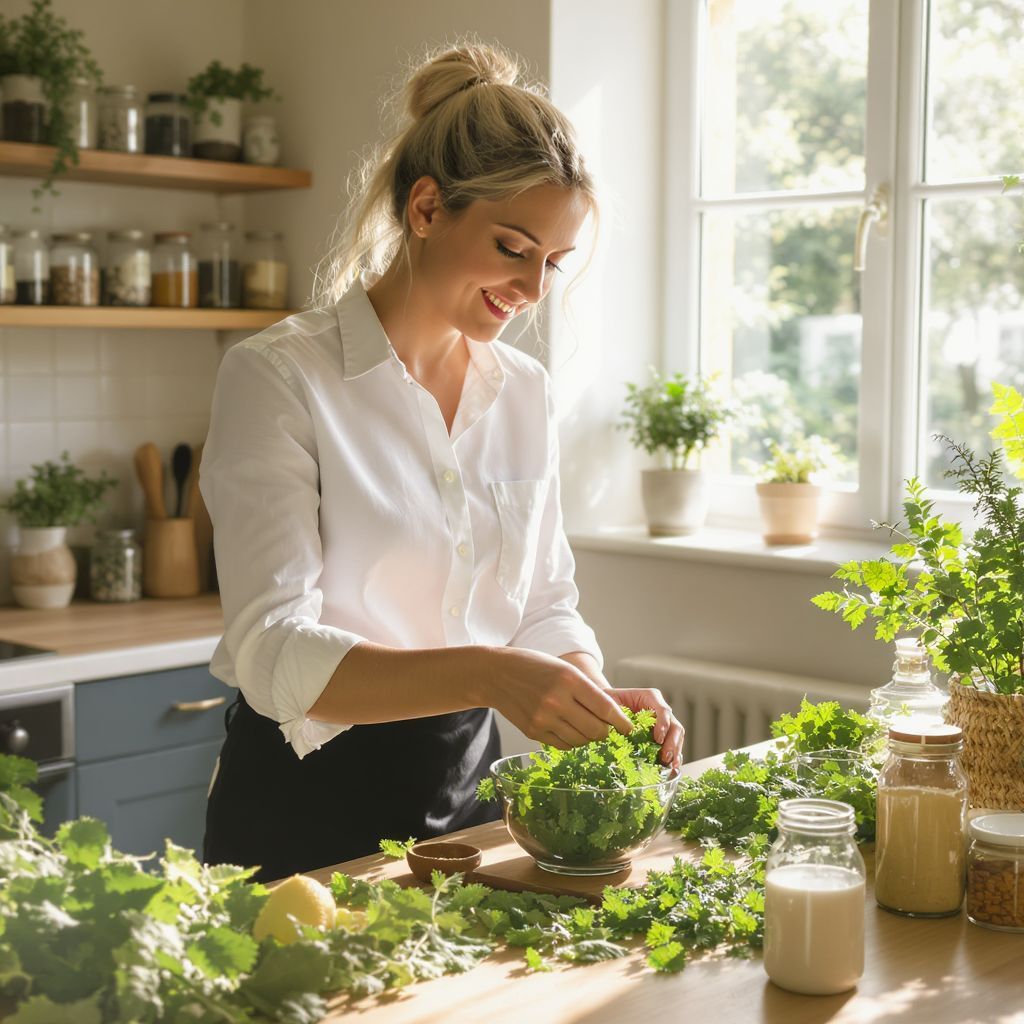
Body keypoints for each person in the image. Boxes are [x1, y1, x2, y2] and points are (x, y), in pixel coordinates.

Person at [200, 42, 684, 882]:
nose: (533, 289)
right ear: (426, 209)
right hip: (301, 812)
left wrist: (587, 693)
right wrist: (496, 674)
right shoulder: (279, 376)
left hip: (471, 806)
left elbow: (543, 602)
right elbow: (272, 653)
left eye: (553, 263)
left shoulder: (523, 391)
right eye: (512, 248)